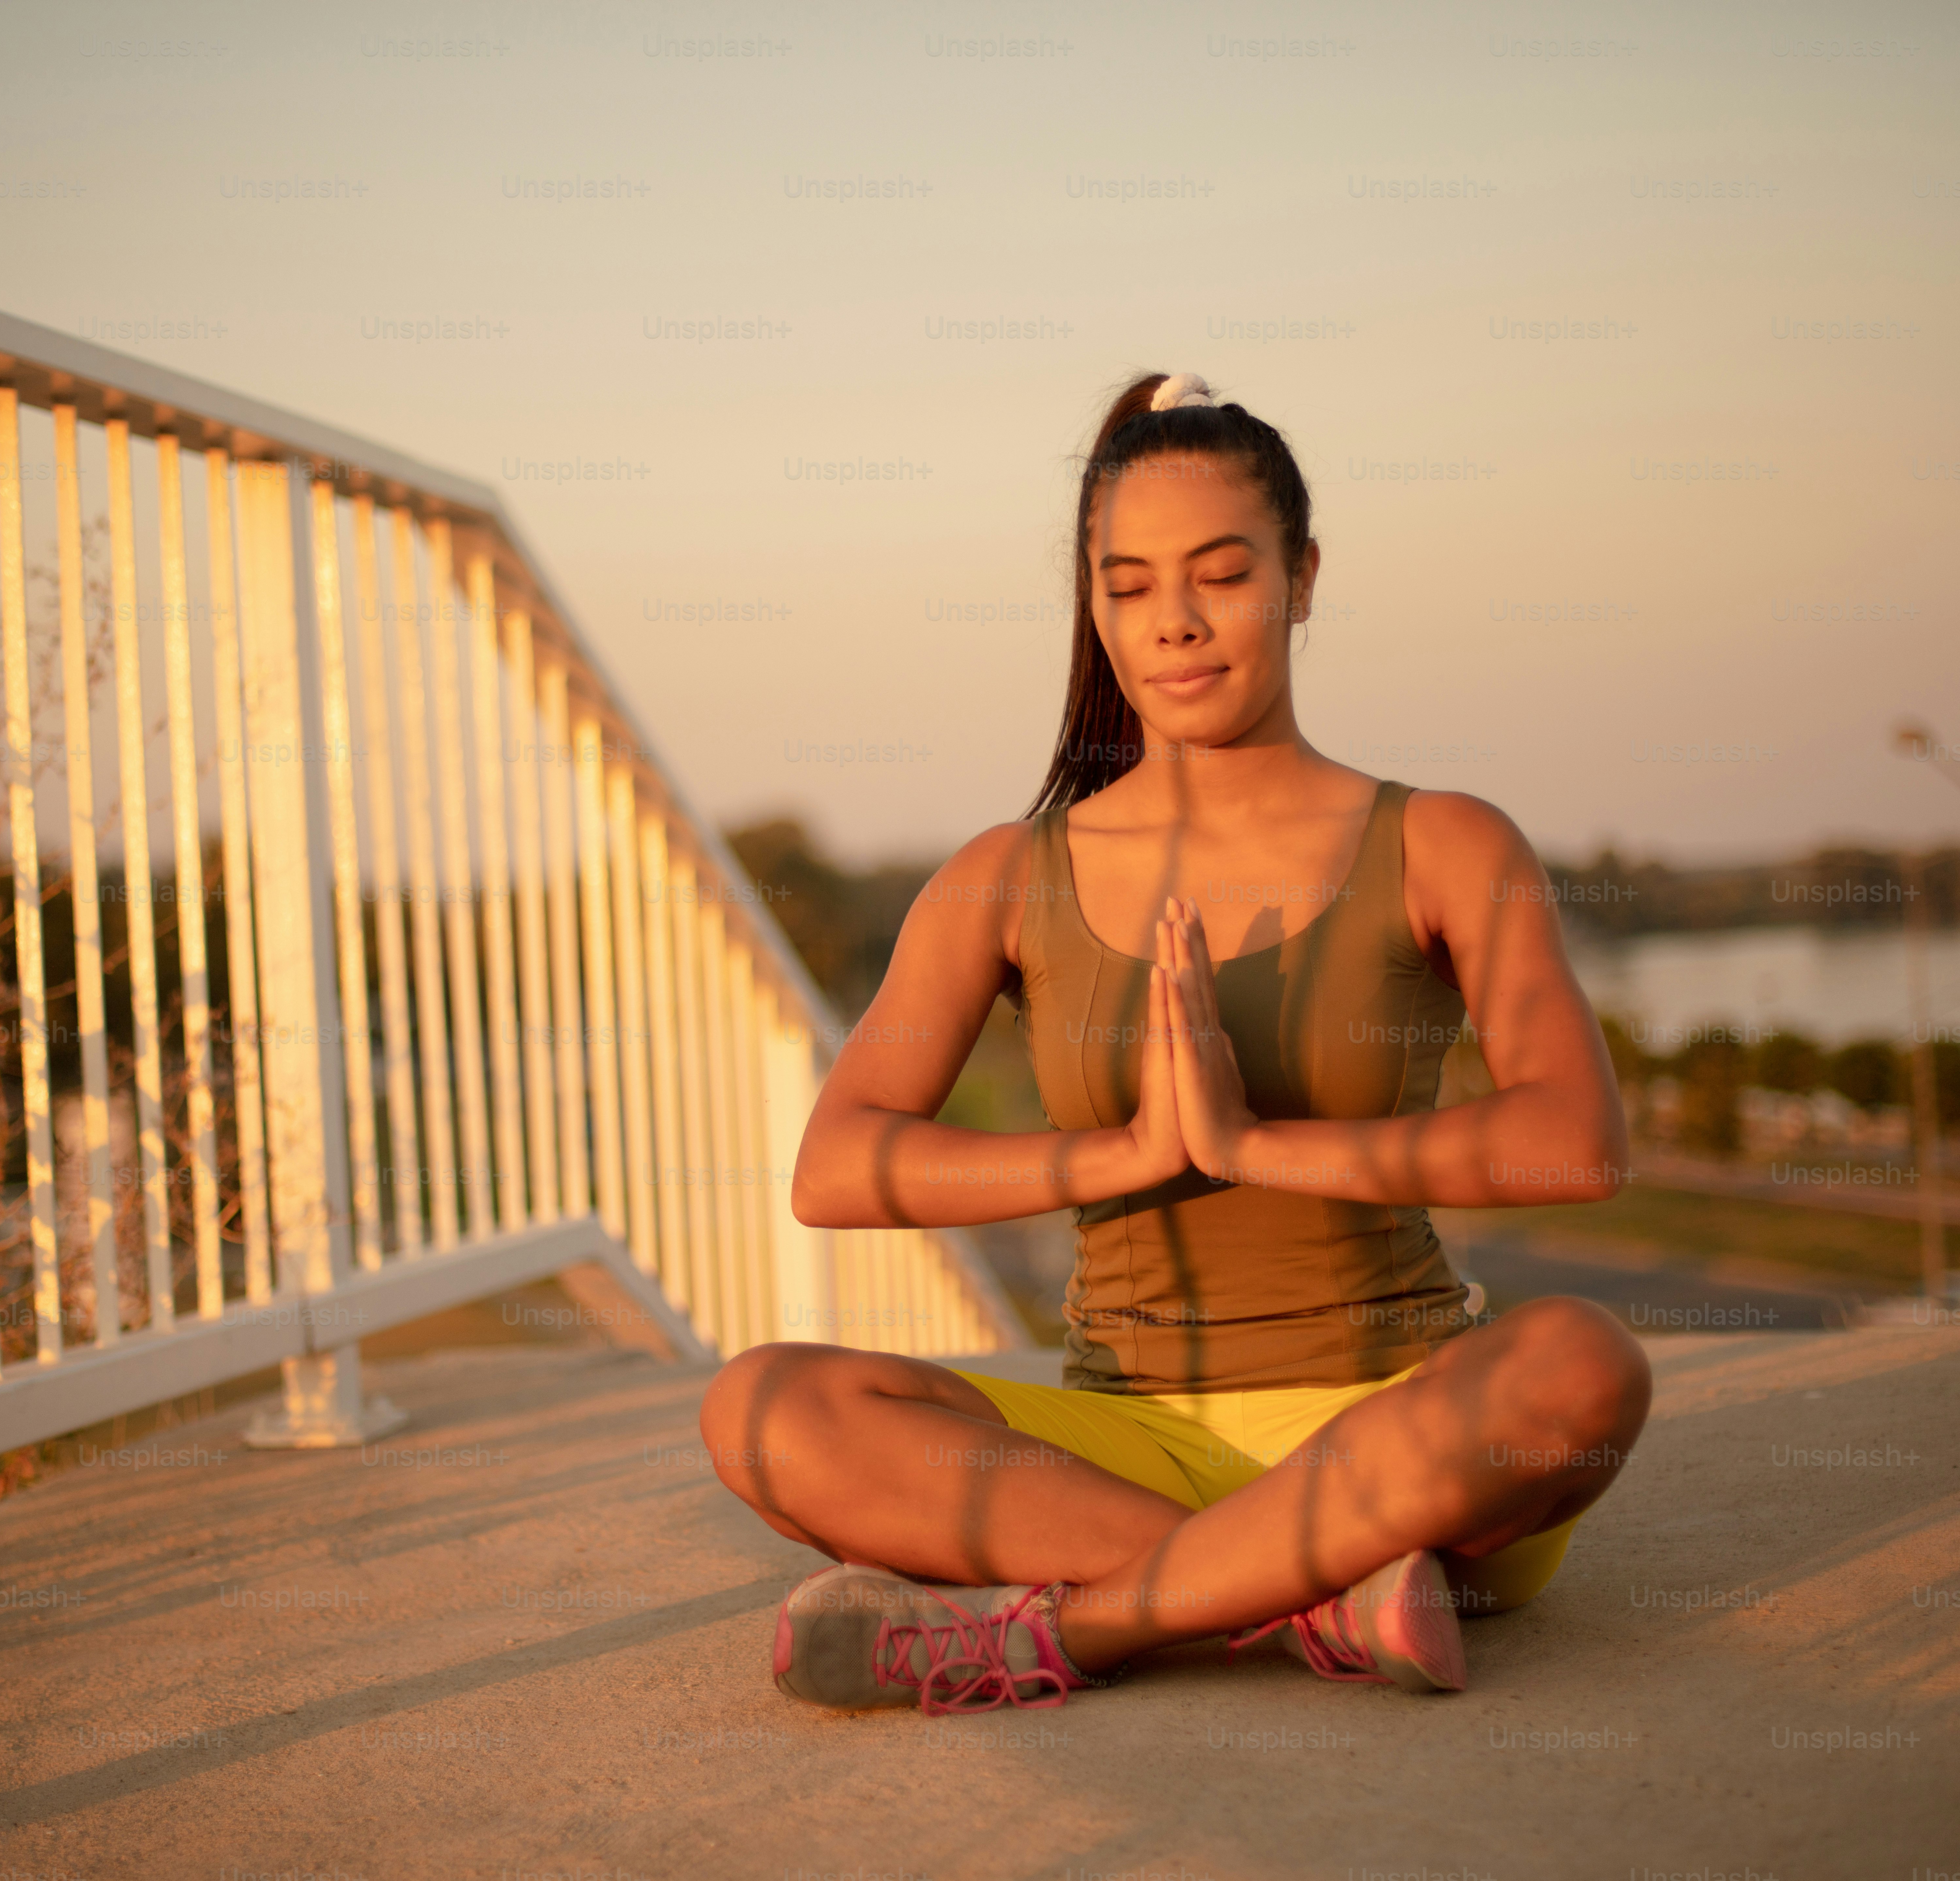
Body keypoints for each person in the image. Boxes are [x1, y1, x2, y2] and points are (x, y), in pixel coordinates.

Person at [697, 371, 1654, 1715]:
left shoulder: (1443, 841)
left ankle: (1062, 1637)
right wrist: (1124, 1155)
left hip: (1398, 1430)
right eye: (1130, 585)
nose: (1176, 625)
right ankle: (1317, 1594)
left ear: (1302, 576)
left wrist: (1258, 1145)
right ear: (1090, 602)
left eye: (1219, 574)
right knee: (760, 1409)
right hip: (1127, 1449)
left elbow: (1574, 1143)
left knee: (1579, 1365)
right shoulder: (1004, 877)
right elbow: (836, 1167)